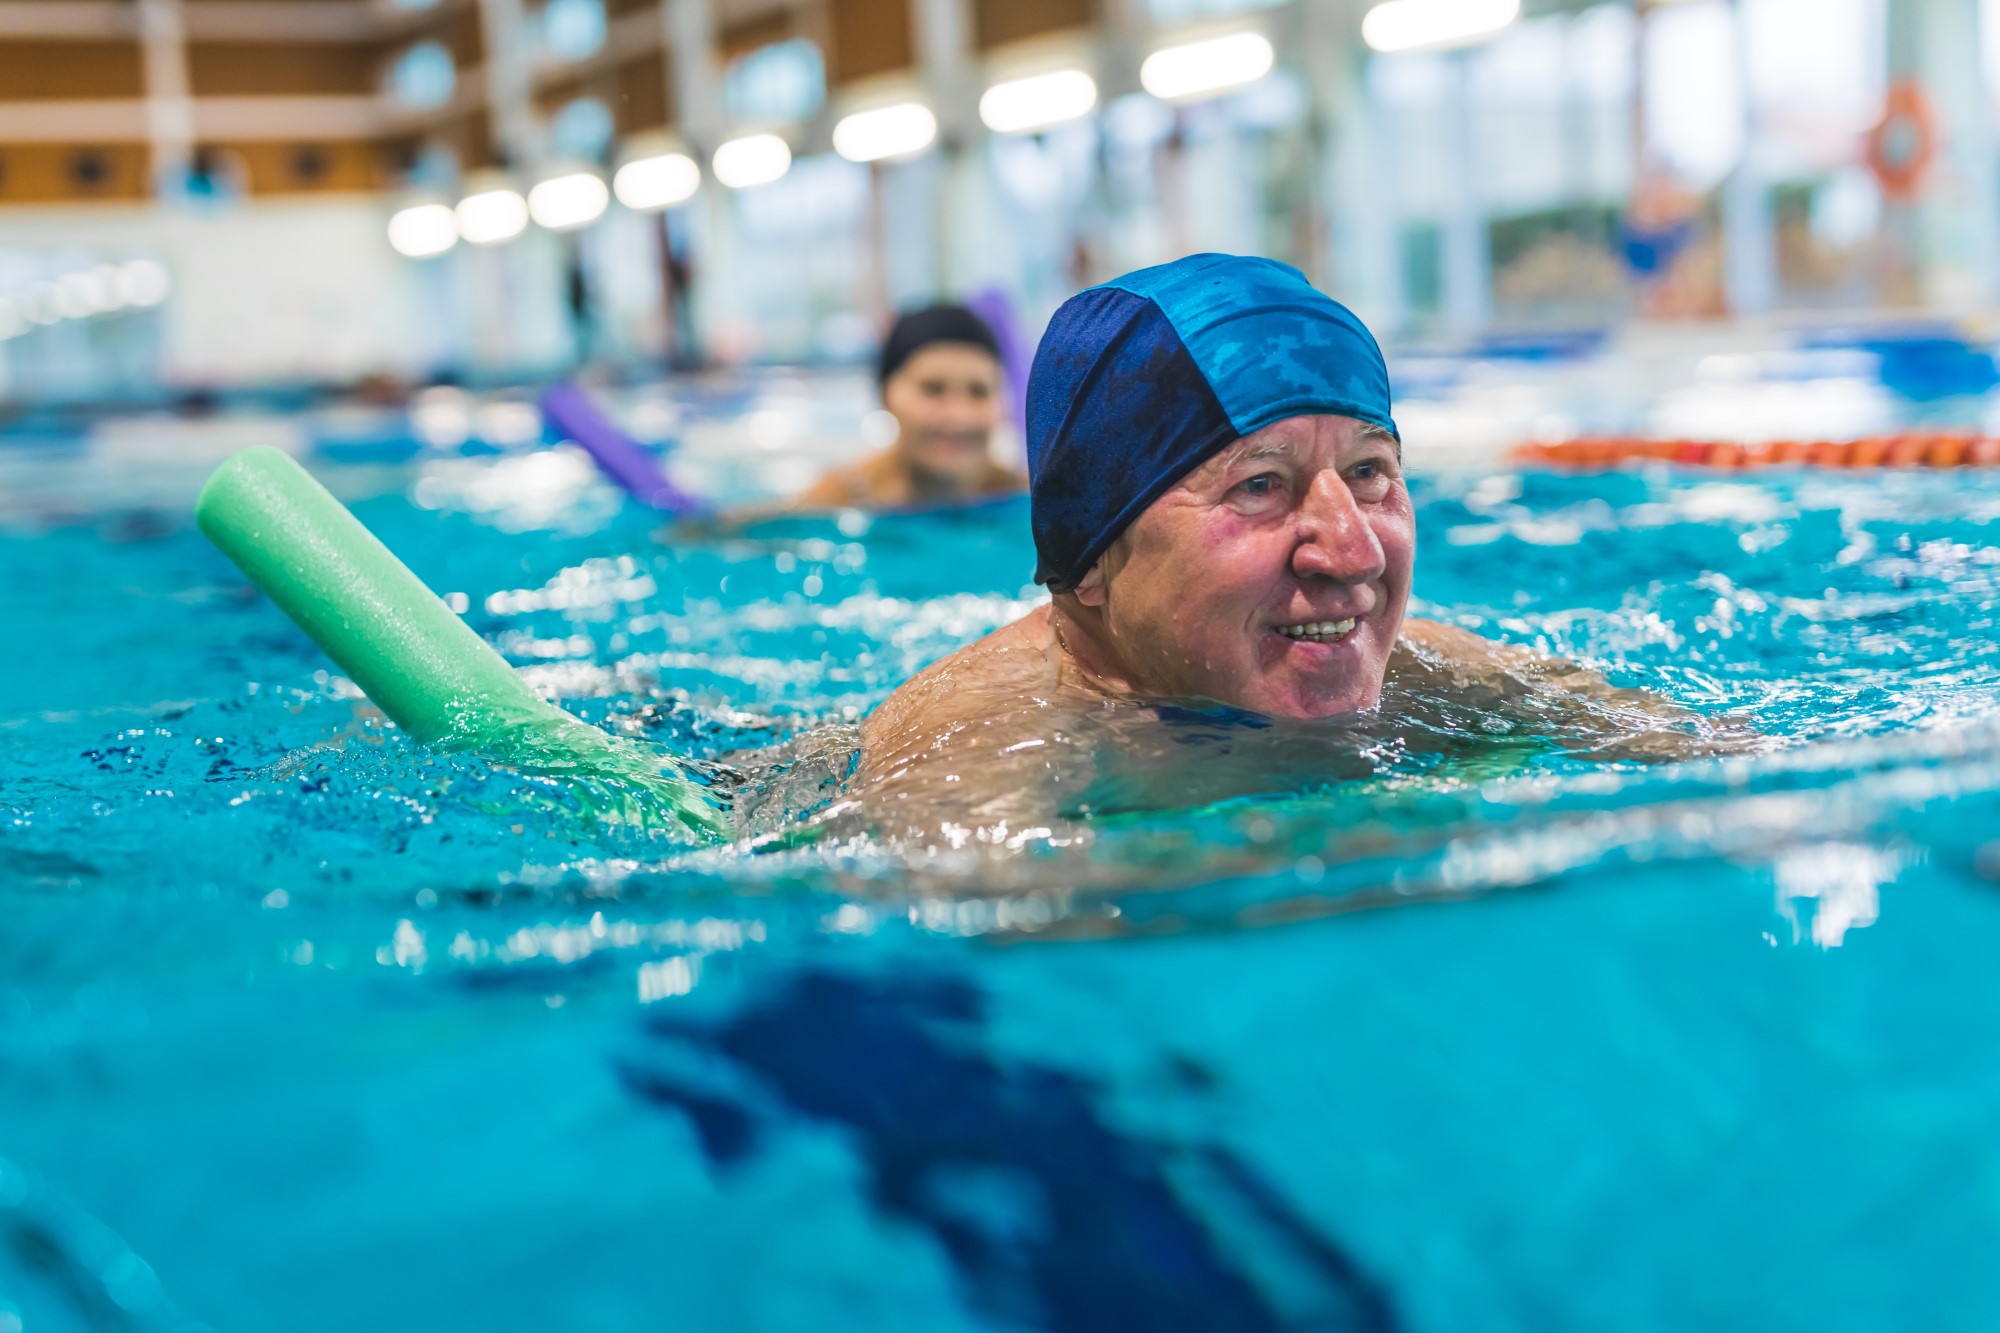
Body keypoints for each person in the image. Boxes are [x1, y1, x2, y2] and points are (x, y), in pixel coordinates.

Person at [793, 254, 1747, 842]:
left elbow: (1728, 767)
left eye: (1372, 472)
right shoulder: (978, 748)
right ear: (1088, 561)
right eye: (1260, 485)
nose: (1353, 552)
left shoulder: (1432, 673)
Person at [791, 304, 1026, 510]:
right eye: (933, 389)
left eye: (979, 392)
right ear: (885, 394)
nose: (958, 415)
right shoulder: (832, 502)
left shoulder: (1032, 499)